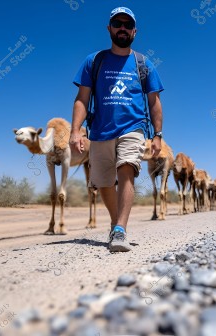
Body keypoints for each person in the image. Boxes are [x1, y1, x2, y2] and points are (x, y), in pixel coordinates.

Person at [69, 7, 164, 252]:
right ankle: (115, 223)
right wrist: (75, 130)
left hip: (133, 127)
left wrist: (157, 134)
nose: (122, 28)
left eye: (127, 24)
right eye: (117, 24)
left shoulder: (144, 64)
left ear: (134, 31)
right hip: (100, 130)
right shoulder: (94, 61)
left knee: (127, 169)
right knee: (103, 183)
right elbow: (82, 98)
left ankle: (120, 229)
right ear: (109, 28)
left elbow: (154, 101)